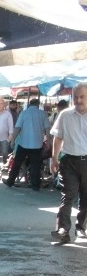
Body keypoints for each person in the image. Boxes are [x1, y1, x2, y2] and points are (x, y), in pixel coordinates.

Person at [49, 84, 87, 244]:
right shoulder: (65, 115)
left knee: (86, 197)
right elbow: (58, 138)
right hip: (69, 161)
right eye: (76, 97)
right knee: (68, 195)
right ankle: (63, 229)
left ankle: (81, 226)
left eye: (82, 97)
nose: (78, 100)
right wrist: (54, 158)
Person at [5, 98, 50, 191]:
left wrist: (13, 141)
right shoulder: (43, 114)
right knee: (35, 165)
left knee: (17, 163)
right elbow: (48, 130)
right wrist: (49, 142)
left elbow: (17, 128)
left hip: (23, 143)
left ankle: (10, 181)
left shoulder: (24, 113)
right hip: (37, 144)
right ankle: (35, 186)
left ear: (29, 104)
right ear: (38, 104)